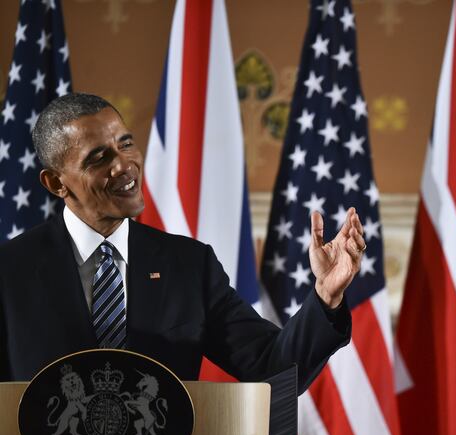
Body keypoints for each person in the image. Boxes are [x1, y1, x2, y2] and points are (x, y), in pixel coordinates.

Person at [0, 93, 366, 393]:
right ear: (55, 183)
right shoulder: (9, 272)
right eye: (100, 158)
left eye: (125, 144)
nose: (124, 165)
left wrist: (326, 297)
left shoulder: (189, 264)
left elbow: (273, 368)